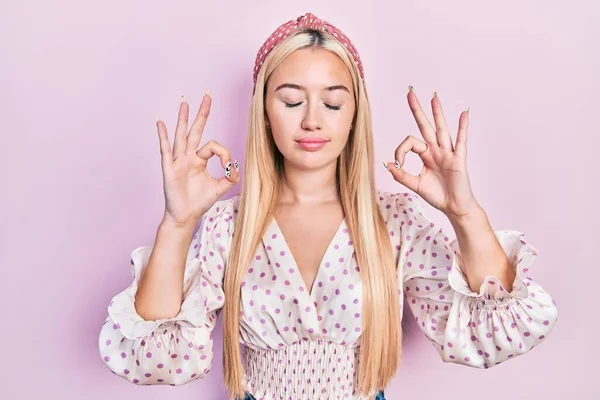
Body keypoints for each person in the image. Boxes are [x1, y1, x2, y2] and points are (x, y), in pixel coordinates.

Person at [98, 12, 558, 400]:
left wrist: (464, 212)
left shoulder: (392, 220)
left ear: (356, 112)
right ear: (263, 112)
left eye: (333, 103)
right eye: (292, 100)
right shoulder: (227, 224)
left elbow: (498, 334)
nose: (313, 120)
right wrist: (177, 224)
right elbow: (155, 360)